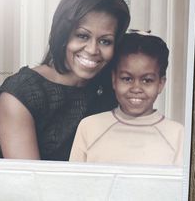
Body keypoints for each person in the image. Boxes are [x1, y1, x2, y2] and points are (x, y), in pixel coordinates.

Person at [0, 0, 130, 160]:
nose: (92, 50)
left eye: (105, 41)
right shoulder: (20, 93)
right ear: (63, 34)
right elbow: (26, 183)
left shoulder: (110, 86)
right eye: (82, 36)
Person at [69, 32, 184, 166]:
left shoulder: (178, 135)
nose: (136, 88)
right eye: (127, 79)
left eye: (147, 80)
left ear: (160, 84)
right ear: (114, 80)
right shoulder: (89, 127)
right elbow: (74, 184)